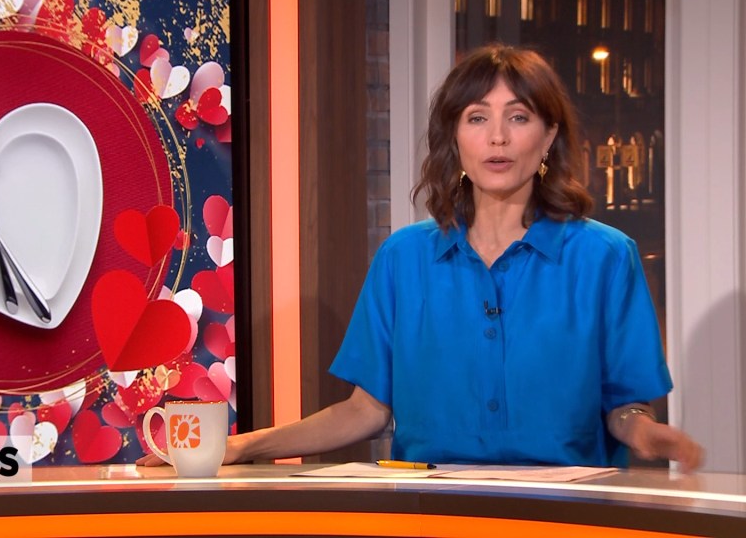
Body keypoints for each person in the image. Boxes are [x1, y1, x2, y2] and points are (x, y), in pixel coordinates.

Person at [138, 44, 704, 472]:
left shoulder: (605, 258)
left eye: (519, 117)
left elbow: (624, 409)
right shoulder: (403, 259)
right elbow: (366, 410)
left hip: (563, 516)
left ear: (549, 136)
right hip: (427, 511)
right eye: (477, 118)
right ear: (455, 137)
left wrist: (646, 433)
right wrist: (240, 447)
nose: (498, 138)